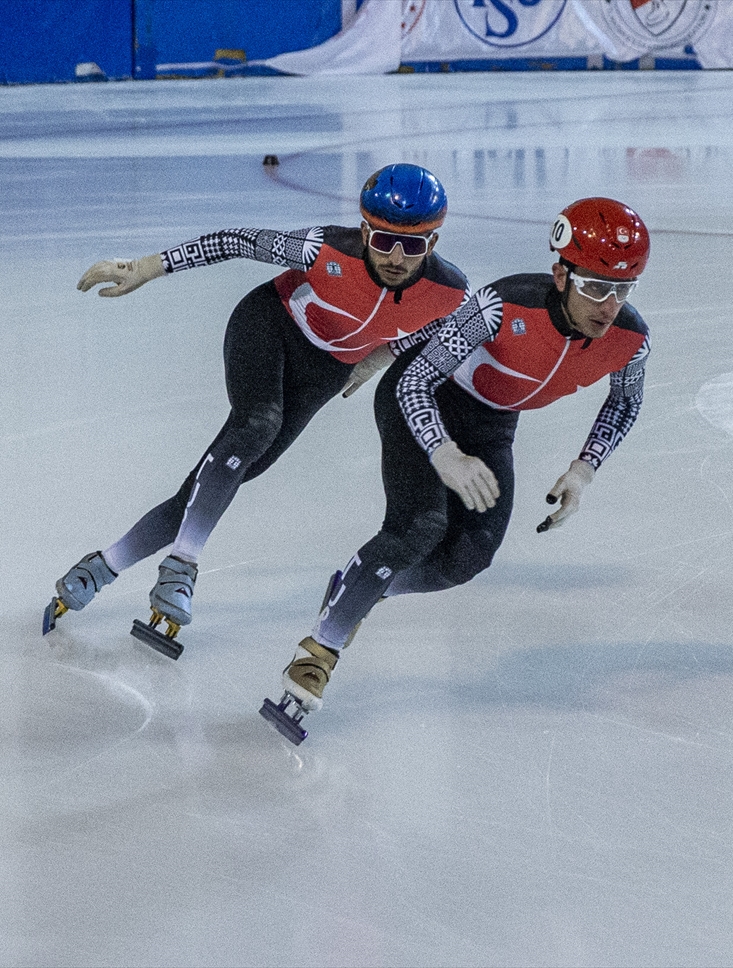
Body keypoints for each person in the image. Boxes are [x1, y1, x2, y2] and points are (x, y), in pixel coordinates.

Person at [261, 197, 651, 743]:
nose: (608, 306)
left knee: (468, 557)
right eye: (595, 287)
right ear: (561, 273)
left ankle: (366, 587)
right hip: (423, 401)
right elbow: (416, 379)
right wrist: (444, 452)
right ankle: (319, 652)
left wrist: (584, 469)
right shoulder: (499, 306)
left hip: (491, 427)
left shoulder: (631, 340)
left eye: (622, 289)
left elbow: (624, 402)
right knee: (418, 527)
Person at [44, 164, 470, 657]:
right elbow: (235, 241)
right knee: (256, 424)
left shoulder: (452, 292)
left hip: (326, 372)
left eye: (413, 245)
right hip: (270, 327)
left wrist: (374, 359)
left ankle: (103, 566)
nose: (396, 258)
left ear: (433, 243)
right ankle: (182, 566)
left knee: (218, 478)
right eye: (383, 241)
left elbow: (432, 329)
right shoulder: (323, 248)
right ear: (363, 231)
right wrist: (145, 267)